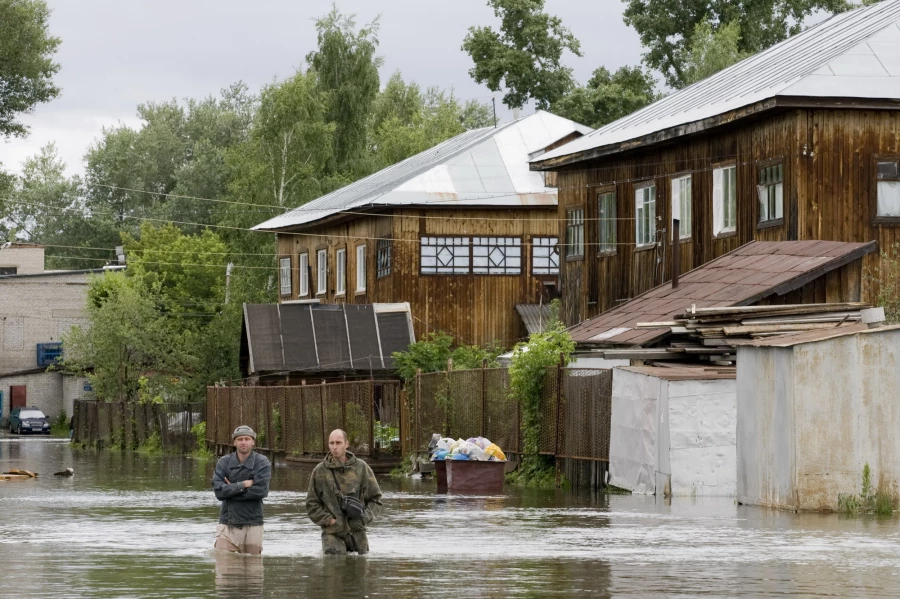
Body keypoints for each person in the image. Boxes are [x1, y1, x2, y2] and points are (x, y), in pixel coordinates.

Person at [306, 429, 383, 555]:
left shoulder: (361, 468)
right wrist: (329, 520)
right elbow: (311, 504)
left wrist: (363, 519)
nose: (334, 447)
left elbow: (376, 500)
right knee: (334, 569)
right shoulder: (320, 471)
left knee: (360, 571)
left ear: (346, 444)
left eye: (338, 443)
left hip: (358, 534)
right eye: (331, 443)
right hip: (332, 535)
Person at [212, 425, 271, 555]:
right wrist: (242, 485)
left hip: (253, 523)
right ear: (234, 442)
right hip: (227, 523)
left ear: (253, 441)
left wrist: (231, 489)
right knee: (223, 569)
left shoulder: (262, 462)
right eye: (240, 439)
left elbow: (261, 491)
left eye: (247, 439)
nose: (243, 442)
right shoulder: (223, 462)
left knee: (253, 570)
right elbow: (219, 492)